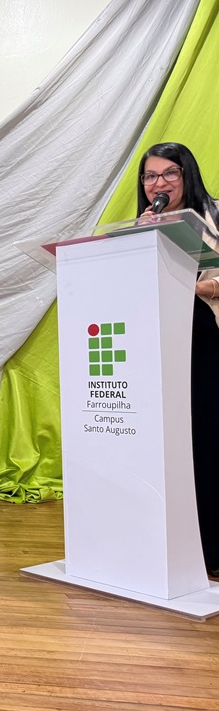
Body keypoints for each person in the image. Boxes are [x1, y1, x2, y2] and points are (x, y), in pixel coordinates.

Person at [137, 142, 219, 576]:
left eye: (170, 173)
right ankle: (170, 542)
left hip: (206, 334)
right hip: (157, 339)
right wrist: (137, 241)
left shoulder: (215, 215)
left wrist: (201, 286)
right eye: (150, 176)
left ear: (187, 175)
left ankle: (213, 547)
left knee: (208, 439)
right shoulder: (143, 224)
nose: (159, 184)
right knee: (170, 443)